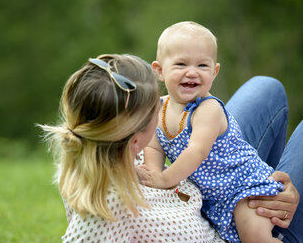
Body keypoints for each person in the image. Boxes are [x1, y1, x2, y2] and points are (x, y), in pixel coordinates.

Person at [39, 54, 301, 242]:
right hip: (231, 229)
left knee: (266, 88)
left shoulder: (96, 145)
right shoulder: (108, 204)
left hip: (210, 178)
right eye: (158, 105)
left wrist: (261, 180)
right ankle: (272, 226)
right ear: (136, 140)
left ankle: (267, 189)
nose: (167, 104)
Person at [135, 21, 296, 243]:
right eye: (181, 64)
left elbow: (197, 151)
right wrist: (153, 174)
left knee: (255, 237)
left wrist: (164, 179)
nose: (192, 72)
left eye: (202, 66)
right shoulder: (158, 109)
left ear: (214, 71)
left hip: (243, 187)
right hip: (215, 196)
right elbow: (154, 145)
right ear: (160, 70)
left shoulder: (207, 109)